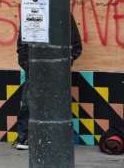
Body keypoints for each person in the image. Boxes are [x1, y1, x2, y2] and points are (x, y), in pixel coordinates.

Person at [13, 14, 82, 150]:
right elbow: (22, 45)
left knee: (56, 103)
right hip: (33, 68)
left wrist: (64, 64)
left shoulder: (63, 13)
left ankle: (54, 138)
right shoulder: (31, 13)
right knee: (28, 102)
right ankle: (24, 137)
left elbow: (76, 45)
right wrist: (27, 64)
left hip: (57, 69)